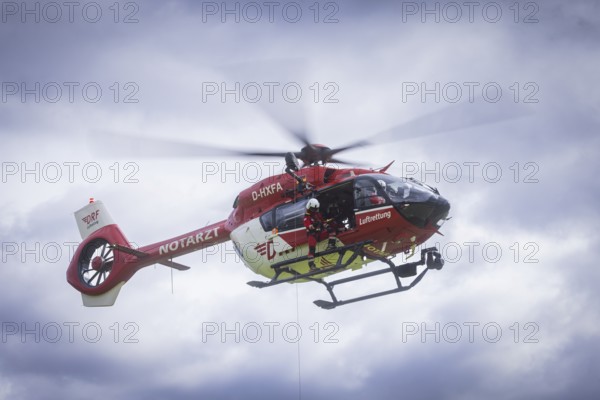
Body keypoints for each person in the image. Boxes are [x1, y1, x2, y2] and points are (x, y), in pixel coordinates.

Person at [304, 198, 337, 270]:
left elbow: (322, 221)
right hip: (312, 234)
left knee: (332, 231)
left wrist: (326, 225)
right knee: (312, 249)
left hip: (319, 232)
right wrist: (313, 225)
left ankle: (331, 245)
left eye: (315, 209)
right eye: (313, 209)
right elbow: (308, 225)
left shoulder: (317, 214)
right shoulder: (307, 216)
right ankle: (311, 265)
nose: (314, 210)